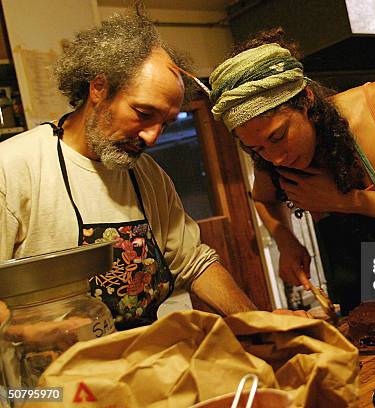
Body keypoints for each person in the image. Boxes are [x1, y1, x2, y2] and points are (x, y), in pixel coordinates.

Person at [0, 11, 274, 330]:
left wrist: (257, 321)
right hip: (50, 374)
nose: (152, 136)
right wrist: (36, 335)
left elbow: (193, 262)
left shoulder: (148, 175)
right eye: (144, 113)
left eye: (165, 124)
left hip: (138, 366)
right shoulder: (14, 168)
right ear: (99, 88)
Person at [209, 30, 375, 313]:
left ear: (306, 99)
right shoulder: (271, 157)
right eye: (256, 149)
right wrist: (286, 242)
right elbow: (263, 199)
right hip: (360, 301)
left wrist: (345, 201)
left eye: (278, 136)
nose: (276, 158)